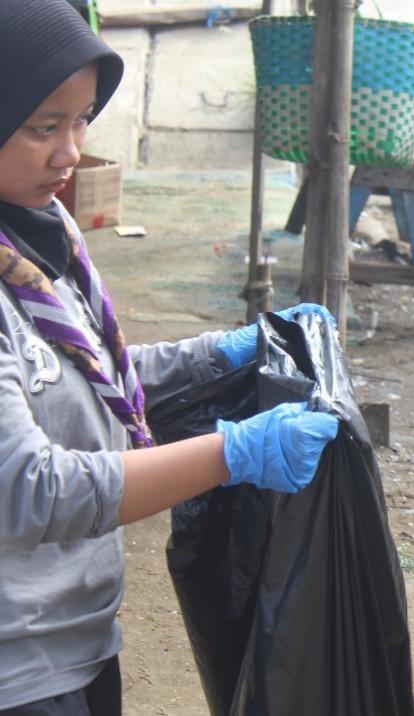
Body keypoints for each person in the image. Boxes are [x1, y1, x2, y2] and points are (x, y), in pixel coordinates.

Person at [0, 2, 340, 713]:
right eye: (43, 127)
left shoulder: (37, 234)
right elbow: (28, 489)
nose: (70, 153)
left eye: (82, 120)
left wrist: (215, 357)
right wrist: (230, 454)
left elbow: (85, 378)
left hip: (77, 634)